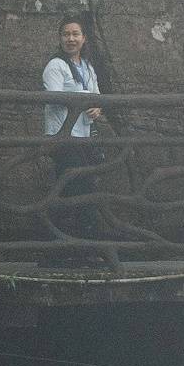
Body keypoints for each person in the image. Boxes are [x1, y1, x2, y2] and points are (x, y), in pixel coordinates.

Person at [41, 16, 106, 255]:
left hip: (84, 137)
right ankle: (63, 251)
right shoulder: (55, 66)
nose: (71, 39)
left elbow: (97, 97)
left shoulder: (88, 67)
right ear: (60, 39)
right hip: (63, 138)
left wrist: (97, 108)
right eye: (66, 34)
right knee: (73, 190)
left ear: (83, 38)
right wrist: (81, 103)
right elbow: (55, 96)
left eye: (75, 34)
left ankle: (77, 250)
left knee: (81, 190)